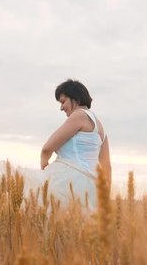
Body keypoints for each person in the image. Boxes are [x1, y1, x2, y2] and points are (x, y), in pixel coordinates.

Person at [40, 79, 111, 210]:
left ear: (76, 99)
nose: (61, 107)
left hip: (66, 182)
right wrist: (105, 198)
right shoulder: (101, 128)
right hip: (91, 187)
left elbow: (47, 149)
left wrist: (44, 172)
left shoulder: (79, 115)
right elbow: (107, 166)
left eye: (63, 101)